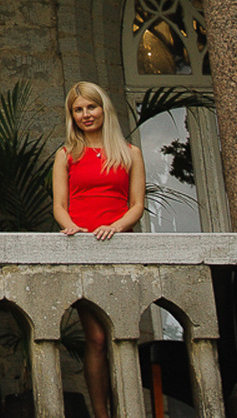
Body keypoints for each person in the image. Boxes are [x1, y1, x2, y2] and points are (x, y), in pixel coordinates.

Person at [50, 83, 145, 418]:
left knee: (123, 335)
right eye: (78, 110)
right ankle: (101, 414)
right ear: (71, 116)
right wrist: (71, 227)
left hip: (119, 248)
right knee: (97, 338)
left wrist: (116, 227)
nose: (86, 115)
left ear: (104, 109)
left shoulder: (130, 153)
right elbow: (60, 206)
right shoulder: (66, 155)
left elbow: (137, 205)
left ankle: (131, 409)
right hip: (84, 250)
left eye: (91, 107)